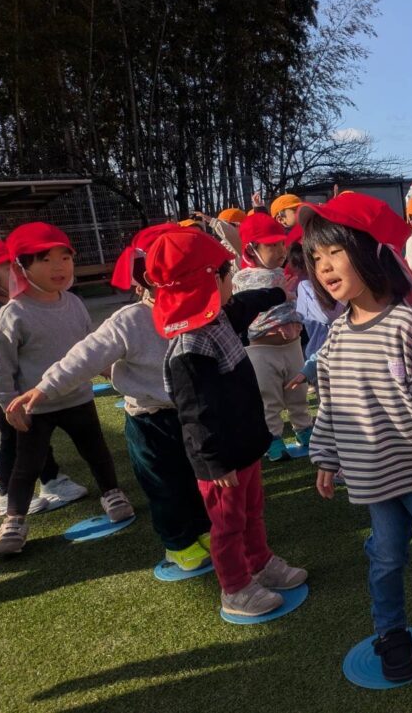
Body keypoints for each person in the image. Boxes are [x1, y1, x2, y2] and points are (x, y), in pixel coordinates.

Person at [301, 193, 412, 683]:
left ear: (372, 253)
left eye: (335, 252)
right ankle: (390, 630)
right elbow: (331, 404)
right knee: (385, 556)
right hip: (371, 475)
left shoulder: (409, 324)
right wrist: (326, 456)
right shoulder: (335, 337)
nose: (324, 266)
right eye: (316, 257)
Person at [6, 224, 212, 571]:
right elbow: (84, 356)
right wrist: (44, 388)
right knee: (164, 485)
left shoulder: (197, 311)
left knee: (195, 478)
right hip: (150, 420)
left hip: (190, 415)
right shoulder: (130, 319)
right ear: (148, 277)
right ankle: (178, 543)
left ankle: (202, 529)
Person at [151, 228, 307, 617]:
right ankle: (235, 588)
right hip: (221, 462)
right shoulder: (189, 349)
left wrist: (276, 294)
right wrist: (214, 462)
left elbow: (244, 304)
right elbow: (195, 415)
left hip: (244, 444)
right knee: (227, 523)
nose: (231, 279)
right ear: (206, 281)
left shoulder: (217, 317)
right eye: (225, 273)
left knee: (252, 511)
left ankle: (261, 563)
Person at [0, 222, 134, 554]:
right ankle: (14, 519)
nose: (59, 267)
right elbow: (1, 366)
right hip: (35, 407)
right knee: (27, 465)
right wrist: (8, 403)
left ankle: (111, 492)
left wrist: (114, 374)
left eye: (65, 258)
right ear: (22, 267)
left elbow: (91, 348)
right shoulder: (14, 313)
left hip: (78, 397)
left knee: (97, 452)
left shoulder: (74, 303)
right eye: (45, 260)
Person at [0, 239, 82, 517]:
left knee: (35, 438)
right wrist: (4, 394)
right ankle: (7, 495)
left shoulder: (22, 303)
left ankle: (52, 480)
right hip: (2, 393)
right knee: (13, 441)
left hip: (29, 389)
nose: (17, 273)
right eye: (8, 268)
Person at [232, 213, 313, 460]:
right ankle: (273, 441)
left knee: (298, 393)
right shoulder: (243, 277)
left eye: (281, 244)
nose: (280, 250)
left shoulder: (283, 272)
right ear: (251, 249)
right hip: (261, 349)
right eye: (272, 246)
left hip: (292, 345)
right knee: (269, 399)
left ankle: (305, 432)